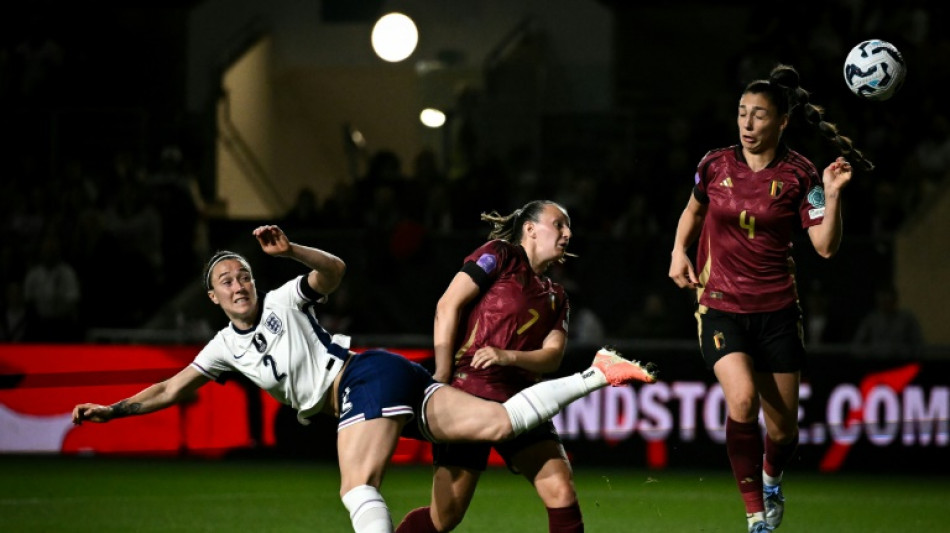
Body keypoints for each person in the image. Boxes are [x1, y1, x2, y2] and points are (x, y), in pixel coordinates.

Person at [72, 224, 658, 533]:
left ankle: (593, 373)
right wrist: (115, 411)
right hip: (391, 377)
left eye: (243, 274)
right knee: (498, 429)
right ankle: (595, 373)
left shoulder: (283, 299)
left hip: (361, 379)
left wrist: (293, 251)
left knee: (357, 488)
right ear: (213, 297)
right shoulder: (222, 348)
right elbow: (169, 389)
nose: (238, 283)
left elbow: (335, 271)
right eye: (226, 280)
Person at [668, 64, 865, 533]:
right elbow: (693, 211)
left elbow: (825, 247)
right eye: (742, 113)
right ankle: (756, 515)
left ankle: (772, 481)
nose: (748, 123)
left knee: (783, 430)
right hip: (720, 305)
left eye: (759, 115)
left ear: (782, 121)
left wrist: (833, 195)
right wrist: (678, 251)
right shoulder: (714, 164)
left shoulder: (801, 174)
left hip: (776, 311)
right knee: (742, 402)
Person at [396, 200, 601, 533]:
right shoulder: (500, 254)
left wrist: (509, 356)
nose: (567, 233)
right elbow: (448, 305)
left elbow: (552, 357)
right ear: (530, 229)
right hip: (469, 393)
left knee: (561, 490)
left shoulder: (557, 296)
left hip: (522, 401)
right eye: (559, 225)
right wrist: (442, 377)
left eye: (568, 227)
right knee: (445, 517)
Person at [850, 284, 924, 359]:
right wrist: (872, 351)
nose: (885, 302)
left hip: (902, 361)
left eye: (887, 300)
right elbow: (857, 345)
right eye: (882, 299)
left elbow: (919, 344)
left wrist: (904, 351)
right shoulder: (871, 320)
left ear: (894, 300)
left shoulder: (907, 319)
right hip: (877, 361)